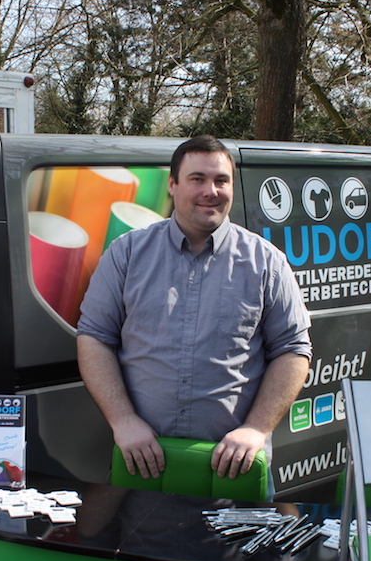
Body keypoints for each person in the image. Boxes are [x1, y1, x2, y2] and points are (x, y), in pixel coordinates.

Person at [76, 135, 312, 497]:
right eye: (197, 179)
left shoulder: (266, 262)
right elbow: (94, 338)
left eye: (221, 180)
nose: (210, 191)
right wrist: (123, 421)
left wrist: (257, 428)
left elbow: (293, 350)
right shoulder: (127, 254)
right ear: (172, 185)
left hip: (234, 467)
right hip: (145, 462)